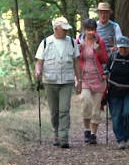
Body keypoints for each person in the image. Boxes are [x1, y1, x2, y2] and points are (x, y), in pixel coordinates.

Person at [35, 17, 82, 148]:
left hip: (67, 81)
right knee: (54, 111)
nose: (67, 31)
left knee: (64, 110)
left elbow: (76, 62)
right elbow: (39, 63)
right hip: (50, 81)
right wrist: (38, 72)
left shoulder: (72, 42)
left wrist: (79, 80)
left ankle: (63, 137)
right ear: (56, 29)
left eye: (67, 29)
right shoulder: (45, 43)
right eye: (64, 29)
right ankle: (56, 133)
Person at [105, 36, 129, 149]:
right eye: (121, 48)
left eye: (125, 48)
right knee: (116, 116)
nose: (123, 50)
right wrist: (105, 75)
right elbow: (107, 70)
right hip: (114, 90)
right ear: (118, 48)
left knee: (128, 112)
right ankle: (120, 139)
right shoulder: (113, 57)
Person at [76, 19, 108, 144]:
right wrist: (78, 50)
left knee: (96, 108)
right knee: (86, 101)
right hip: (84, 78)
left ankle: (93, 134)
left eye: (93, 30)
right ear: (84, 30)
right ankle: (86, 130)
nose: (91, 32)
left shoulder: (100, 41)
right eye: (88, 30)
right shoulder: (78, 42)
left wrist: (99, 50)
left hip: (98, 79)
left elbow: (105, 59)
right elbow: (74, 60)